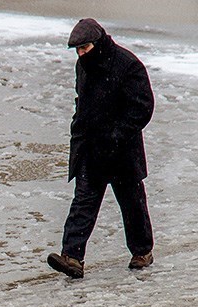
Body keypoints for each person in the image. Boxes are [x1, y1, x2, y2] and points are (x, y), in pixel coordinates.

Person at [47, 18, 155, 279]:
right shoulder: (82, 66)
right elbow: (81, 102)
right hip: (91, 149)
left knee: (132, 204)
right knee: (83, 203)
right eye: (78, 50)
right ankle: (72, 257)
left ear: (98, 43)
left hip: (122, 152)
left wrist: (117, 134)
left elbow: (143, 107)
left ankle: (142, 252)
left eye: (85, 48)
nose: (81, 54)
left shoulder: (128, 64)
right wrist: (78, 128)